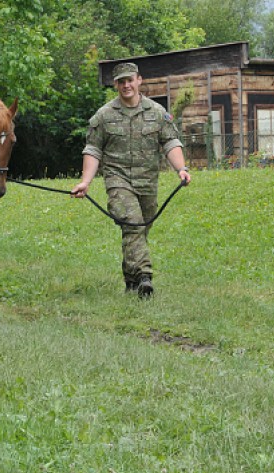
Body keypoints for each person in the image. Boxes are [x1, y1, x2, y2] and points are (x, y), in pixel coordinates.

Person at [71, 62, 192, 298]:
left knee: (138, 230)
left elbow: (170, 142)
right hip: (118, 181)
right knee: (133, 223)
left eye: (130, 80)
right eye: (121, 82)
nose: (126, 85)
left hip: (147, 182)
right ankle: (145, 276)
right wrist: (86, 182)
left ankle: (130, 280)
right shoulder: (104, 116)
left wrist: (181, 168)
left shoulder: (157, 113)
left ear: (139, 80)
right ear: (115, 85)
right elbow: (93, 150)